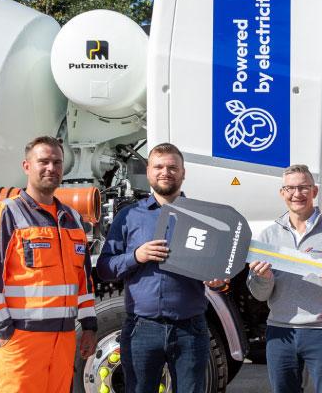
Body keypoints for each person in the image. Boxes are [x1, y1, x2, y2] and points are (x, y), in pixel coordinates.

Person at [0, 136, 97, 393]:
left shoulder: (72, 219)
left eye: (57, 162)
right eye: (44, 161)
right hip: (22, 341)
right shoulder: (5, 214)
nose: (51, 168)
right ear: (27, 166)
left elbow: (82, 281)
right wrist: (4, 332)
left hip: (63, 342)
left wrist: (90, 326)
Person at [96, 143, 226, 393]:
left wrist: (219, 280)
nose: (165, 172)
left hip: (190, 328)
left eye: (172, 167)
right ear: (148, 171)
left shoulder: (203, 216)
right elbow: (104, 268)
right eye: (159, 167)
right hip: (142, 329)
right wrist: (136, 256)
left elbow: (219, 269)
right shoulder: (130, 216)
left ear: (183, 173)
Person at [247, 164, 322, 393]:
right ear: (282, 193)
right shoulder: (269, 235)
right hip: (280, 332)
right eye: (290, 188)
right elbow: (259, 293)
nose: (297, 194)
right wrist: (264, 277)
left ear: (315, 191)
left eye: (303, 187)